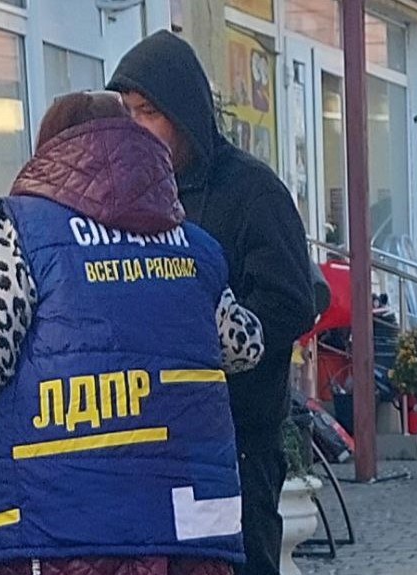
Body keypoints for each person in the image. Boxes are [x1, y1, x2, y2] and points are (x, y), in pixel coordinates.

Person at [0, 91, 265, 575]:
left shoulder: (27, 230)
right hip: (184, 529)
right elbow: (243, 346)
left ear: (51, 150)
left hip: (59, 522)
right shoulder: (194, 247)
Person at [107, 31, 316, 575]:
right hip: (157, 440)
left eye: (149, 112)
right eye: (127, 112)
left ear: (184, 111)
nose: (136, 126)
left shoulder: (251, 189)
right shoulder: (131, 197)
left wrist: (216, 342)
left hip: (239, 439)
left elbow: (293, 300)